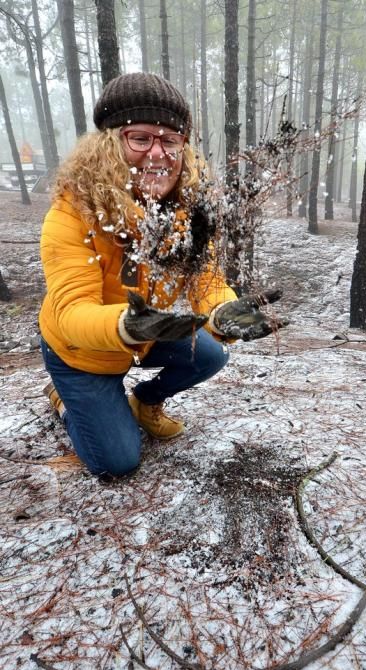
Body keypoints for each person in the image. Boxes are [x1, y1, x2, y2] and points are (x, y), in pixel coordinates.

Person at [39, 72, 287, 479]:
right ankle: (64, 398)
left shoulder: (187, 211)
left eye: (170, 141)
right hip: (80, 352)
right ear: (108, 146)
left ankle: (144, 400)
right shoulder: (71, 214)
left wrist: (222, 311)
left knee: (210, 353)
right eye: (140, 138)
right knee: (117, 462)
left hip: (143, 332)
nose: (158, 153)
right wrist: (125, 327)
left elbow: (204, 277)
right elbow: (71, 313)